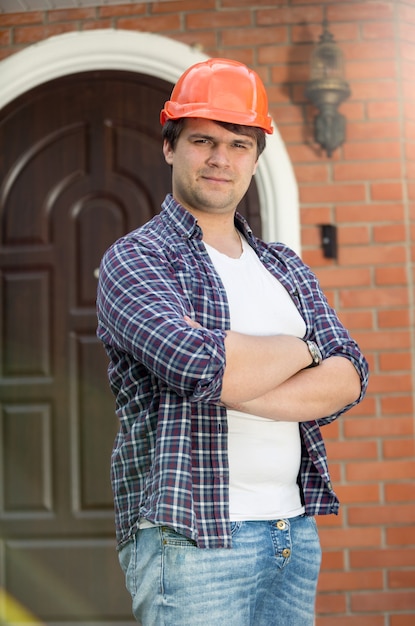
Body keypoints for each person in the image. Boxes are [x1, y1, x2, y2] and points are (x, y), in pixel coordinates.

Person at [96, 58, 369, 626]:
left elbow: (350, 376)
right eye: (203, 140)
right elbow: (197, 365)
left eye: (239, 144)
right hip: (191, 539)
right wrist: (305, 350)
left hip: (291, 531)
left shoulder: (284, 267)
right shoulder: (137, 259)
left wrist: (237, 369)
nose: (221, 158)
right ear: (171, 147)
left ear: (255, 158)